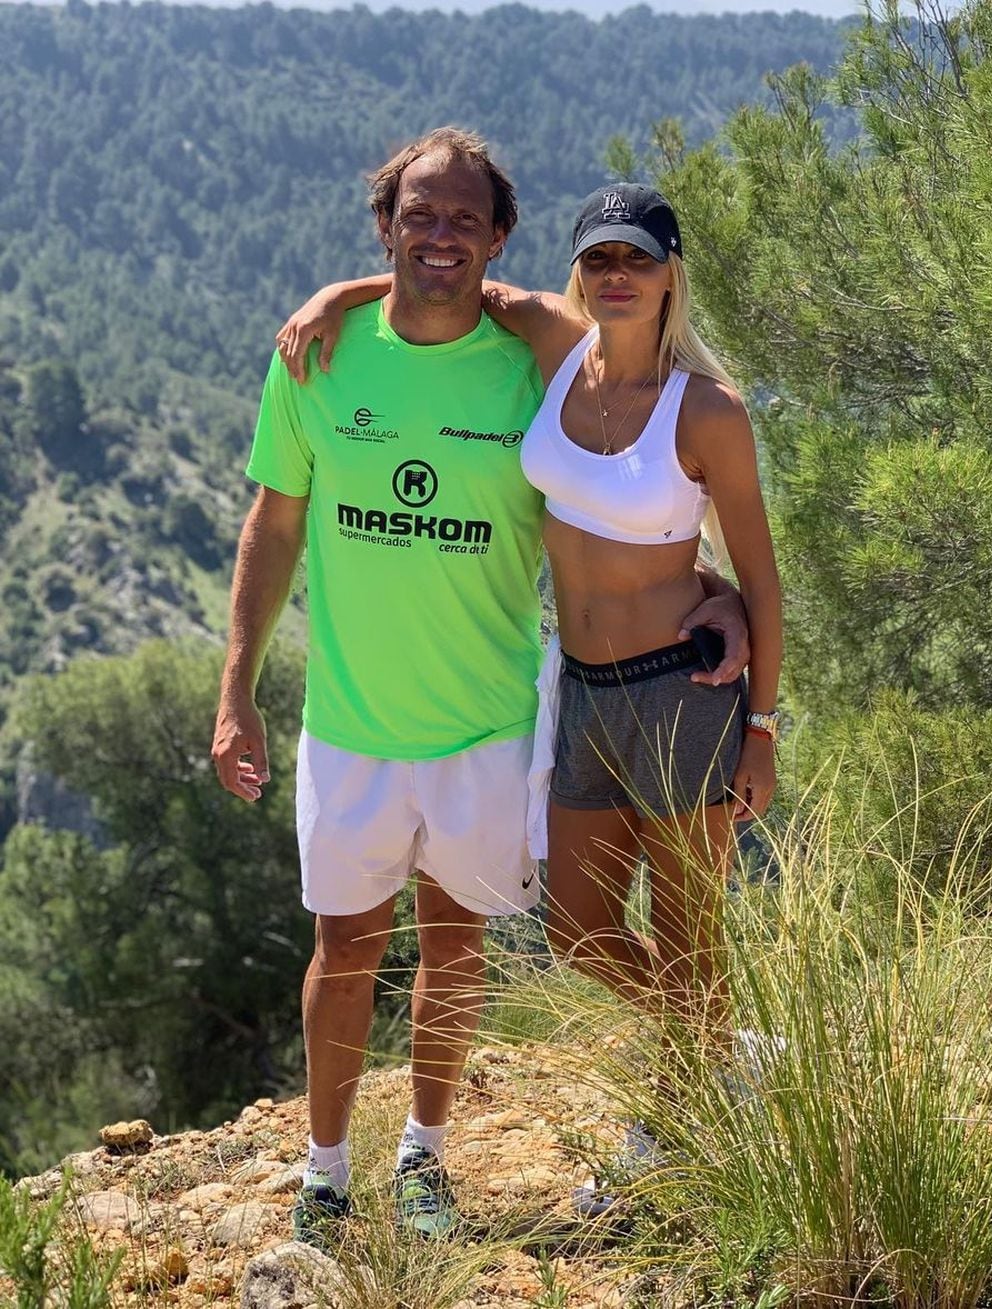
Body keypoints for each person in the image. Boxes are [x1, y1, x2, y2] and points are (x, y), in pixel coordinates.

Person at [212, 134, 749, 1245]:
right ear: (385, 225)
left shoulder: (536, 363)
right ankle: (322, 1176)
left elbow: (623, 469)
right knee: (346, 948)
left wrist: (719, 590)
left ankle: (425, 1158)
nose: (440, 233)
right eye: (418, 213)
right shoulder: (317, 356)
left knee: (457, 946)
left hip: (492, 722)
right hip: (351, 721)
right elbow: (274, 523)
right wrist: (237, 690)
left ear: (500, 239)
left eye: (465, 217)